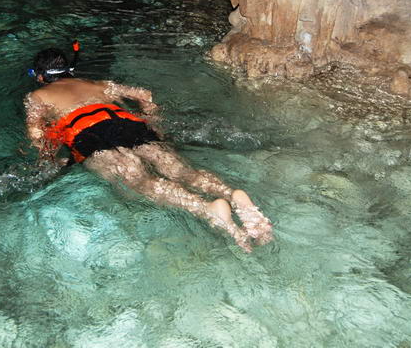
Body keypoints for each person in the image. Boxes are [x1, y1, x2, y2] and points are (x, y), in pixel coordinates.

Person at [24, 45, 273, 252]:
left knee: (141, 184)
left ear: (40, 76)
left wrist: (48, 160)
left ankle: (206, 208)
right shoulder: (98, 85)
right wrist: (155, 122)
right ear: (68, 70)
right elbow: (145, 94)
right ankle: (230, 193)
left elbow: (37, 136)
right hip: (129, 124)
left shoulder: (37, 96)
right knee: (181, 171)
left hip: (88, 132)